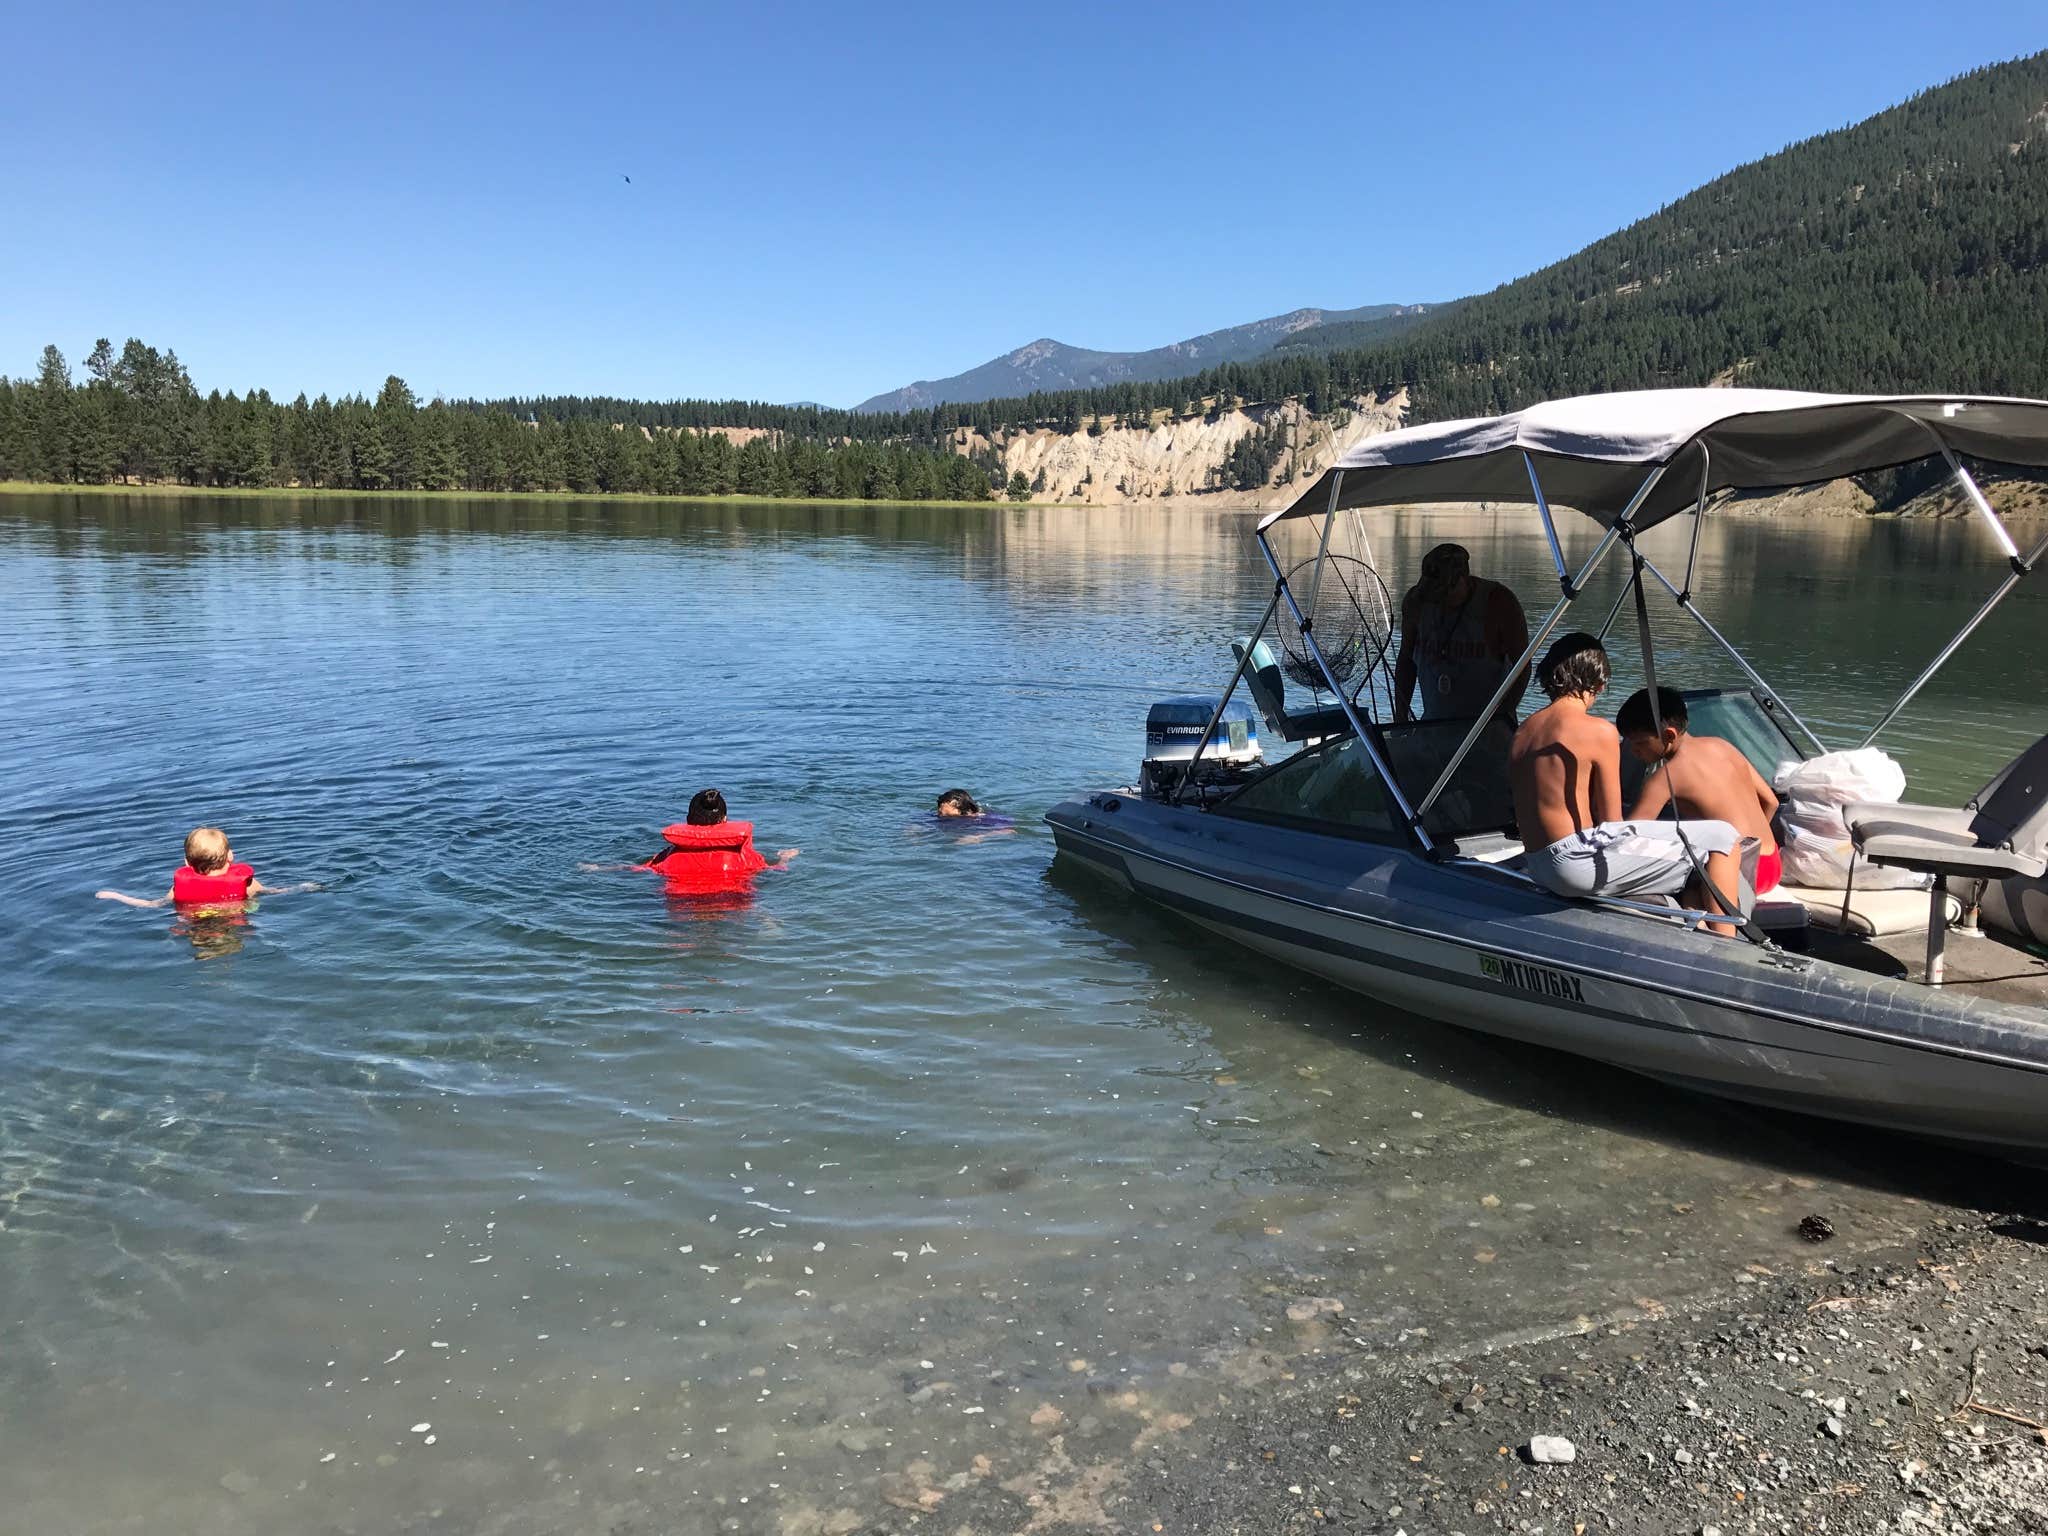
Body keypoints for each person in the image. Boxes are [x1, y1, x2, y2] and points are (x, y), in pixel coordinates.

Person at [1508, 634, 1745, 935]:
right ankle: (1727, 944)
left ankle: (1694, 924)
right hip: (1575, 865)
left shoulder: (1523, 732)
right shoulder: (1598, 731)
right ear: (1599, 683)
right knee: (1722, 836)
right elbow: (1612, 824)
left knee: (1690, 855)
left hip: (1538, 865)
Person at [1616, 687, 1782, 896]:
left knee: (1679, 887)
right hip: (1771, 863)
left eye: (1639, 743)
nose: (1633, 751)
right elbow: (1771, 802)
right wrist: (1751, 849)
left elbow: (1628, 836)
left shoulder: (1666, 777)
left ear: (1669, 735)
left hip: (1738, 876)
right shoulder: (1722, 745)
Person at [1393, 543, 1530, 725]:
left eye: (1442, 592)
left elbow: (1522, 667)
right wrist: (1400, 715)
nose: (1436, 600)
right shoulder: (1416, 602)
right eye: (1431, 593)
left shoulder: (1499, 603)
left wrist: (1501, 718)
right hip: (1433, 729)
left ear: (1463, 579)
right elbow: (1406, 659)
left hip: (1487, 732)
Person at [95, 825, 311, 909]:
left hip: (196, 926)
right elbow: (274, 893)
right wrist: (303, 887)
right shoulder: (247, 884)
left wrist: (116, 896)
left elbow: (152, 905)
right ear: (230, 857)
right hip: (235, 918)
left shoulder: (178, 889)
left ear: (187, 863)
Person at [633, 788, 797, 891]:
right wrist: (785, 858)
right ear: (724, 819)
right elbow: (777, 871)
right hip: (733, 902)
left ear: (689, 819)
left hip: (682, 904)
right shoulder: (743, 855)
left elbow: (640, 870)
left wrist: (611, 868)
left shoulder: (667, 856)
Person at [930, 788, 1016, 842]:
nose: (941, 818)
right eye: (940, 813)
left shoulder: (985, 819)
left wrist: (978, 836)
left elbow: (1009, 831)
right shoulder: (939, 817)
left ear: (968, 812)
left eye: (948, 815)